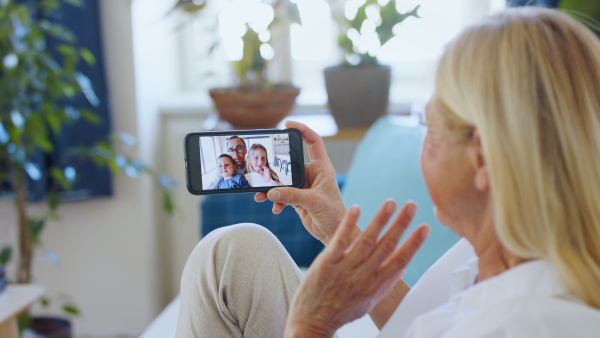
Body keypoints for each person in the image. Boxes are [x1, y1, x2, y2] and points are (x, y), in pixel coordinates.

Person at [176, 7, 600, 338]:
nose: (422, 147)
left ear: (482, 160)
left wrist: (312, 324)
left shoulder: (520, 325)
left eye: (428, 130)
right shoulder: (504, 244)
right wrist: (335, 229)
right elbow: (420, 325)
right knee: (234, 252)